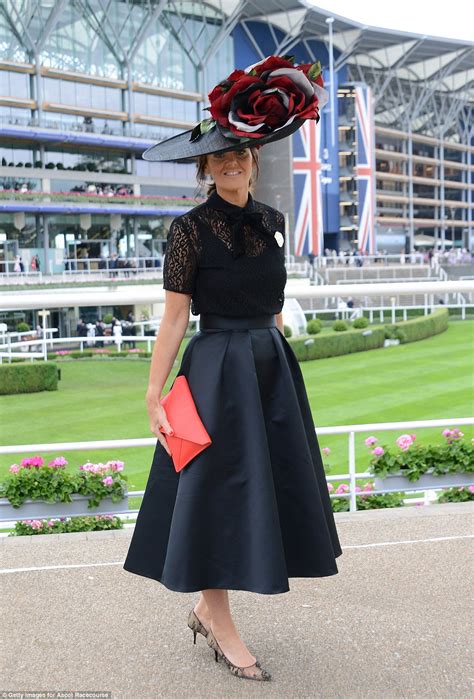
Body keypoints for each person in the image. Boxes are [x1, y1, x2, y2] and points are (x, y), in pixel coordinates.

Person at [122, 54, 342, 683]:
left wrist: (279, 376)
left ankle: (205, 609)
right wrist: (153, 394)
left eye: (239, 155)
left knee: (259, 493)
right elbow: (173, 320)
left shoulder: (273, 222)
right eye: (218, 158)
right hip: (214, 374)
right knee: (214, 496)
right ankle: (219, 620)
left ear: (255, 158)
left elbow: (272, 308)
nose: (232, 164)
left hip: (269, 371)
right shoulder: (187, 231)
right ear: (206, 168)